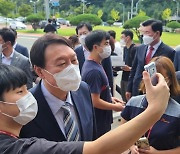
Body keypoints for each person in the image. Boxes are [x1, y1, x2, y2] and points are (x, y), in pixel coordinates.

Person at [0, 64, 172, 154]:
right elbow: (99, 149)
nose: (28, 95)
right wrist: (155, 109)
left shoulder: (81, 89)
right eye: (20, 91)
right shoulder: (15, 148)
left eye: (73, 60)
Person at [20, 33, 97, 142]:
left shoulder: (83, 90)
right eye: (62, 63)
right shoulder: (25, 107)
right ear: (40, 71)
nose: (71, 68)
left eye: (74, 60)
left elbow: (92, 137)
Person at [121, 56, 180, 154]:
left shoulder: (177, 112)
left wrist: (157, 153)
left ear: (169, 80)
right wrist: (131, 146)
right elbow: (121, 133)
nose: (153, 82)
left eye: (158, 78)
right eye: (149, 76)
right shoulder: (133, 103)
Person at [81, 30, 125, 137]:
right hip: (98, 121)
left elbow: (99, 92)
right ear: (95, 47)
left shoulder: (95, 65)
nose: (108, 47)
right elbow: (95, 101)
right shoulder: (94, 71)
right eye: (106, 44)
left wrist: (110, 99)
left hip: (101, 119)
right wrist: (115, 107)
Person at [126, 19, 175, 100]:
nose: (144, 36)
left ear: (157, 33)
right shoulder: (140, 48)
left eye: (147, 33)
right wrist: (129, 88)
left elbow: (170, 75)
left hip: (155, 91)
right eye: (143, 32)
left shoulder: (168, 52)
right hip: (137, 89)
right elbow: (134, 69)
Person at [75, 22, 114, 96]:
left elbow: (108, 73)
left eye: (85, 33)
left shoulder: (103, 51)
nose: (83, 36)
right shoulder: (76, 52)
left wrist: (110, 95)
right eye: (80, 34)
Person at [120, 30, 137, 102]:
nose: (121, 39)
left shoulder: (134, 48)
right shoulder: (125, 48)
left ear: (128, 38)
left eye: (122, 37)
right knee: (123, 96)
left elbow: (137, 65)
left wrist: (130, 68)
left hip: (130, 78)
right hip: (124, 76)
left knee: (129, 99)